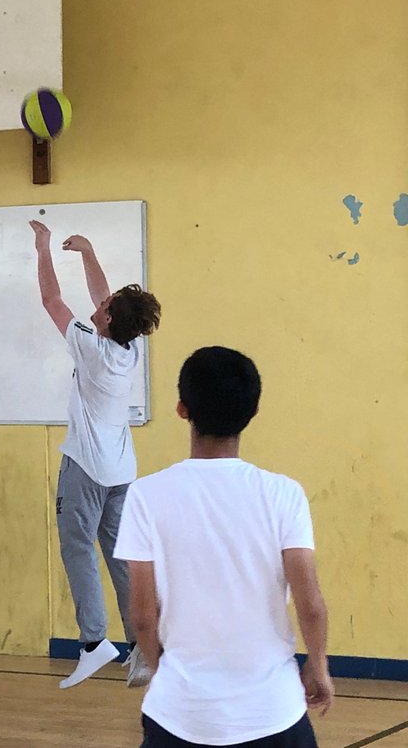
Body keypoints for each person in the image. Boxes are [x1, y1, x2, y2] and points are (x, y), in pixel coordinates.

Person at [114, 347, 332, 746]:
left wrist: (169, 677)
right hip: (274, 715)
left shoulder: (145, 495)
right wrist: (318, 665)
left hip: (177, 717)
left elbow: (143, 616)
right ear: (252, 413)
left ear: (182, 409)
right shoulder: (285, 494)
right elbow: (310, 603)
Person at [28, 221, 161, 689]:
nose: (98, 305)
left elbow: (52, 301)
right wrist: (88, 251)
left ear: (104, 321)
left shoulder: (91, 349)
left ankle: (93, 643)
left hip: (85, 469)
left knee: (77, 548)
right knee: (120, 556)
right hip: (122, 471)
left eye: (102, 307)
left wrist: (44, 248)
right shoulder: (127, 351)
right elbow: (107, 300)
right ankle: (145, 649)